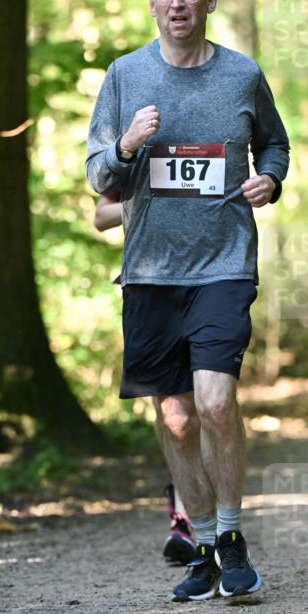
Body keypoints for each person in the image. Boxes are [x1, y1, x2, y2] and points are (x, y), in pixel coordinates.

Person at [86, 0, 290, 602]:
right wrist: (123, 147)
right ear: (151, 3)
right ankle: (200, 543)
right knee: (173, 418)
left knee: (213, 401)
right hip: (148, 272)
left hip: (224, 264)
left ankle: (230, 535)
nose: (176, 3)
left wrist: (271, 179)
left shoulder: (241, 75)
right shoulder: (123, 77)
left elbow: (275, 143)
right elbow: (97, 178)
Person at [94, 191, 196, 565]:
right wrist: (145, 206)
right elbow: (101, 216)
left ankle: (212, 516)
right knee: (172, 412)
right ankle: (183, 513)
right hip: (149, 284)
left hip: (213, 278)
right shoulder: (134, 141)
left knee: (210, 404)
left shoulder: (212, 136)